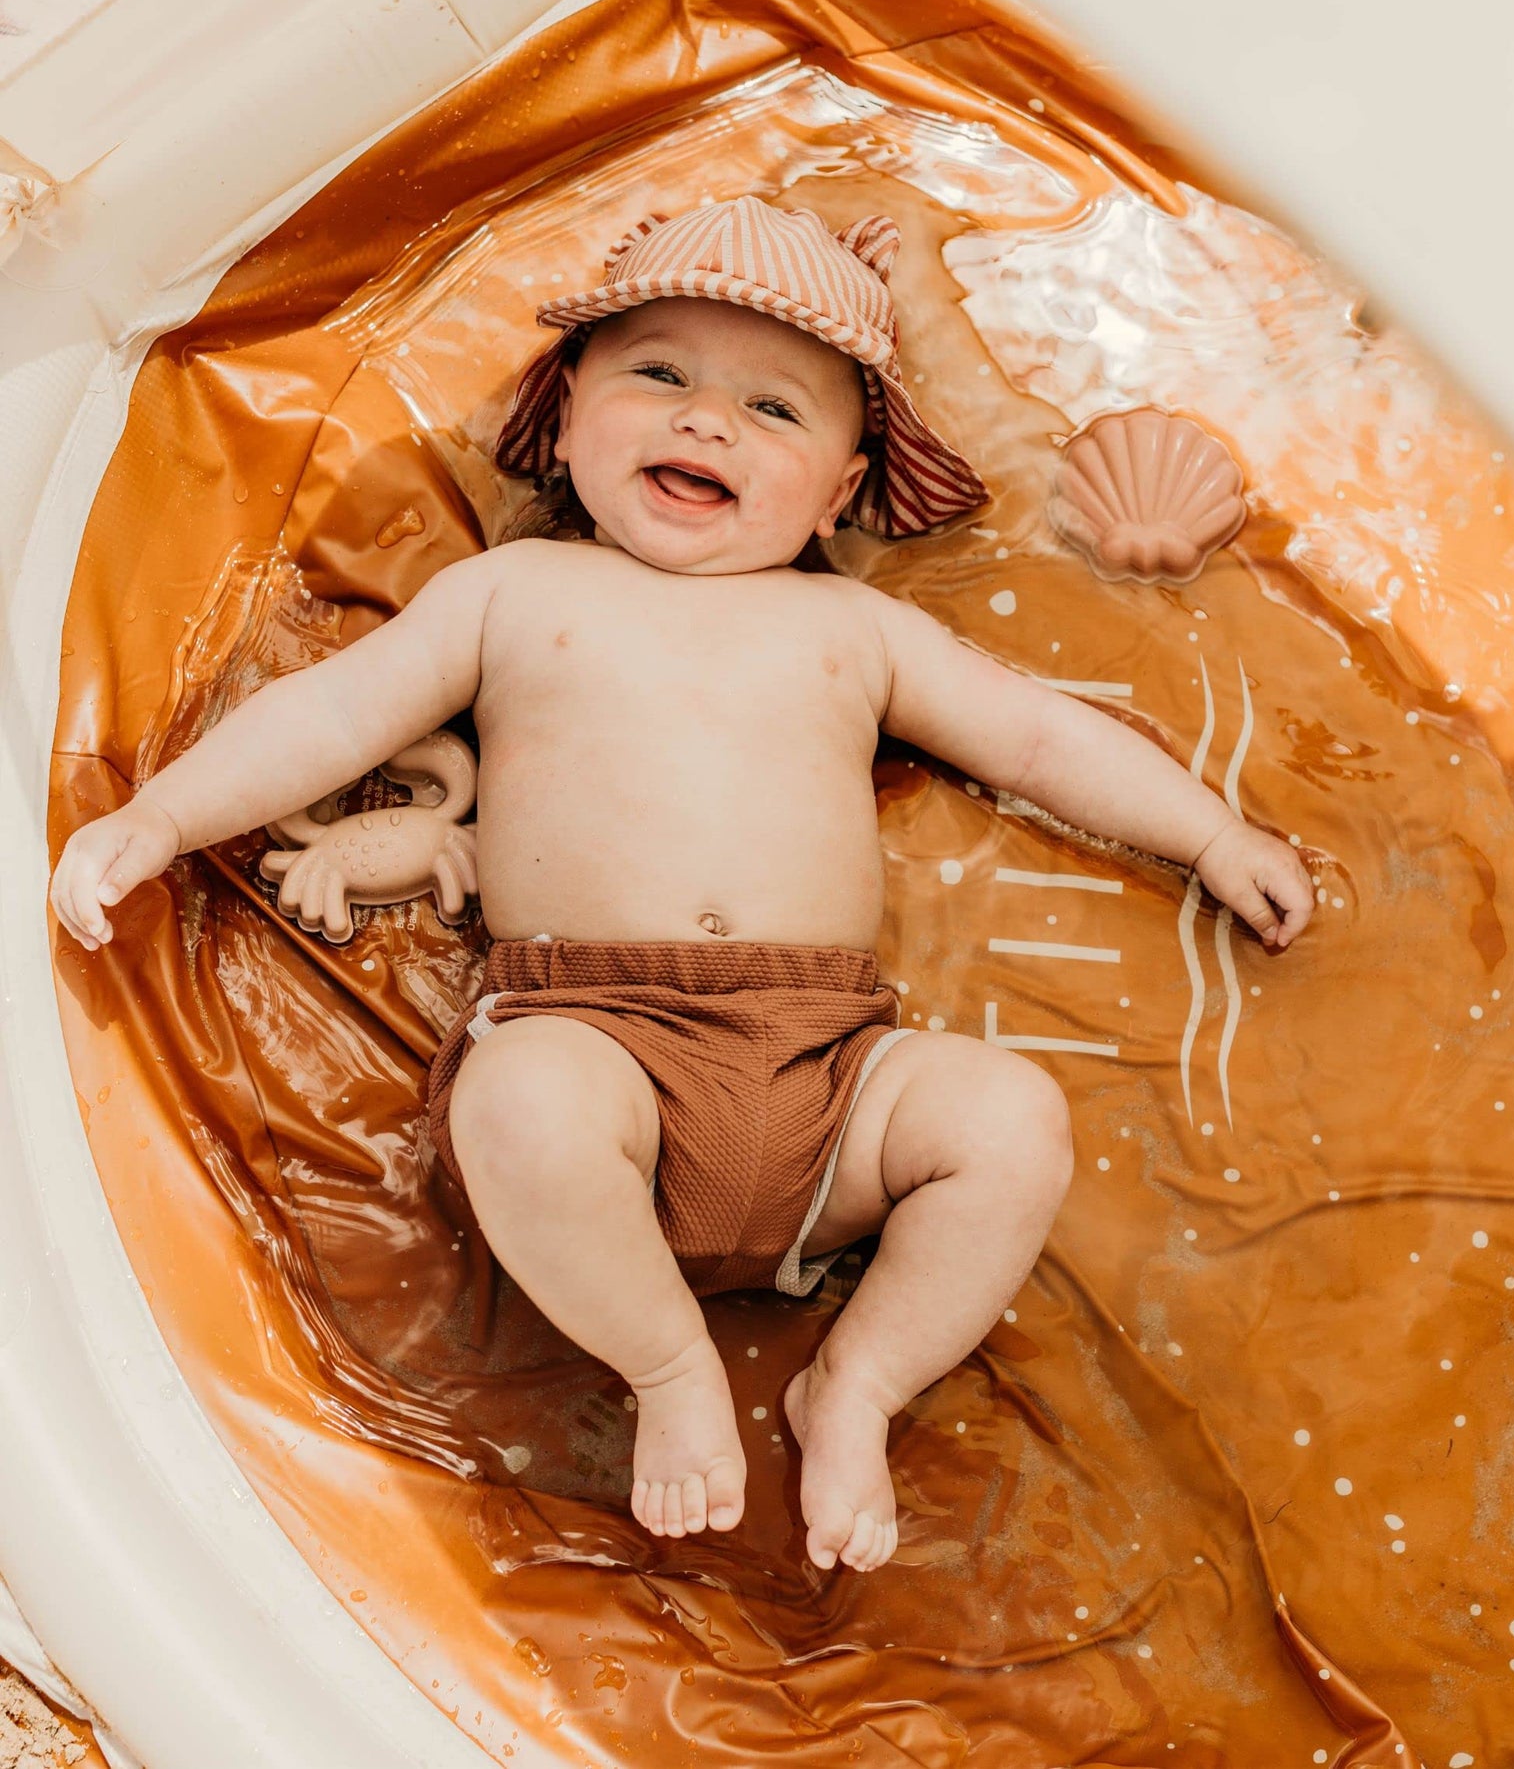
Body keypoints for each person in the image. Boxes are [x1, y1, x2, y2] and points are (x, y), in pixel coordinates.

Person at [49, 197, 1314, 1574]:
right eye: (659, 374)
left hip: (833, 1074)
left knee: (1009, 1123)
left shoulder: (855, 626)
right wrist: (162, 818)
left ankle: (858, 1384)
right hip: (599, 1048)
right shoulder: (516, 593)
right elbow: (334, 715)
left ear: (840, 490)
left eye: (773, 409)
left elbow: (1036, 738)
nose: (707, 420)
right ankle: (666, 1363)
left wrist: (1207, 835)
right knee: (518, 1106)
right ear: (567, 415)